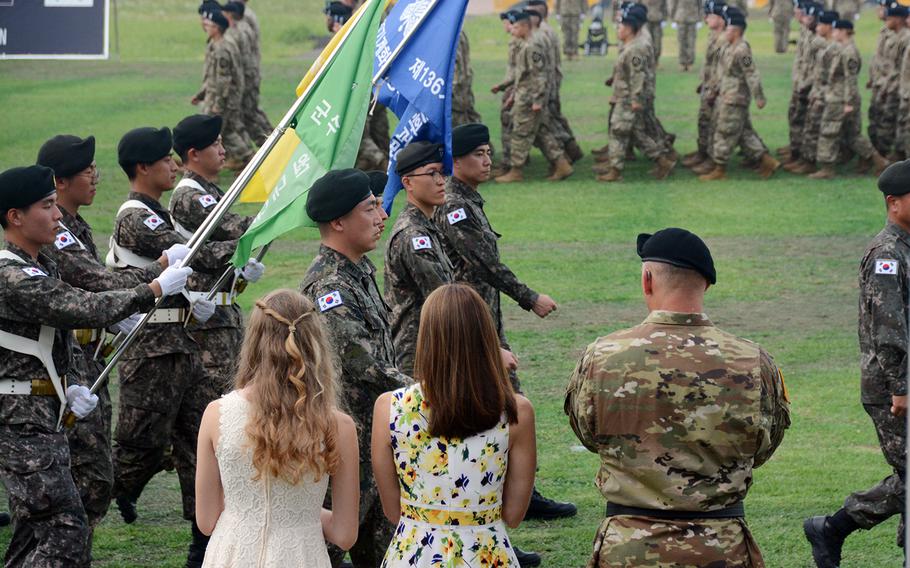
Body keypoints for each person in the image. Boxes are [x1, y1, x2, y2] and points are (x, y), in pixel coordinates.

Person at [0, 165, 191, 567]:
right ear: (15, 216)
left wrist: (65, 385)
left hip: (40, 415)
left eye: (56, 205)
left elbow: (50, 335)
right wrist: (153, 288)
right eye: (47, 206)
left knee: (34, 531)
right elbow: (79, 306)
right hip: (20, 423)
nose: (57, 216)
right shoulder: (12, 274)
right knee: (66, 530)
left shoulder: (38, 265)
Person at [565, 227, 791, 567]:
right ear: (707, 284)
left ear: (647, 280)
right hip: (720, 547)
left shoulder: (602, 356)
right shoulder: (753, 361)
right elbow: (764, 445)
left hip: (628, 549)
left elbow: (587, 433)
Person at [434, 123, 576, 540]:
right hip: (471, 328)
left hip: (485, 323)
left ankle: (516, 491)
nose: (487, 159)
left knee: (507, 403)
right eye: (478, 153)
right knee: (507, 405)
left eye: (489, 152)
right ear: (455, 161)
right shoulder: (454, 207)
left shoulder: (468, 201)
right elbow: (481, 264)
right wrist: (528, 296)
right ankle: (506, 495)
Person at [108, 126, 238, 568]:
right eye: (165, 160)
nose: (173, 165)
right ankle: (113, 487)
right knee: (141, 443)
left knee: (196, 442)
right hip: (151, 349)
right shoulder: (136, 216)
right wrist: (246, 245)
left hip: (179, 344)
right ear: (144, 168)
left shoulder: (155, 212)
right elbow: (194, 254)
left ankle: (202, 542)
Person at [372, 284, 536, 567]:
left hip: (413, 554)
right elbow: (514, 514)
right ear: (485, 337)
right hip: (485, 554)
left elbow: (392, 510)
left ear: (427, 337)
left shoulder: (389, 407)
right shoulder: (516, 411)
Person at [195, 289, 359, 567]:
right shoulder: (339, 426)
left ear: (255, 342)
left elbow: (207, 520)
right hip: (301, 556)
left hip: (232, 555)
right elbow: (344, 535)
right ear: (315, 343)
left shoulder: (216, 414)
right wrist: (302, 513)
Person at [300, 169, 410, 567]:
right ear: (338, 222)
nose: (382, 216)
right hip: (342, 449)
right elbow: (363, 363)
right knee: (317, 553)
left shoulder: (357, 272)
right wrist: (429, 390)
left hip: (371, 441)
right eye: (371, 207)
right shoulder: (330, 286)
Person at [804, 161, 910, 568]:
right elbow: (889, 331)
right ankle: (832, 528)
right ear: (893, 203)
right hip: (891, 388)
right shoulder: (887, 255)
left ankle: (832, 528)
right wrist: (900, 387)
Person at [170, 114, 264, 398]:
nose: (223, 150)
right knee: (217, 400)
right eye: (215, 144)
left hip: (222, 315)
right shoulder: (190, 196)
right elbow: (234, 228)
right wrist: (275, 212)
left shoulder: (209, 191)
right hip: (206, 322)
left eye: (222, 142)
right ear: (193, 154)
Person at [383, 141, 453, 375]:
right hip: (417, 355)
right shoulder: (413, 236)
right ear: (408, 183)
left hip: (431, 348)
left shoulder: (426, 227)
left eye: (442, 172)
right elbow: (445, 298)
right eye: (432, 173)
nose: (441, 180)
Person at [699, 7, 780, 180]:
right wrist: (713, 90)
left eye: (728, 29)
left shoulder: (742, 50)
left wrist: (759, 97)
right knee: (743, 134)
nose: (725, 32)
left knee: (725, 131)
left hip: (735, 98)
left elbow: (752, 73)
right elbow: (722, 74)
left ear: (736, 31)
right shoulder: (728, 47)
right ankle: (767, 161)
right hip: (725, 95)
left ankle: (720, 169)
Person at [596, 7, 676, 182]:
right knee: (637, 134)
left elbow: (637, 75)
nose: (618, 29)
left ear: (631, 28)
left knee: (618, 131)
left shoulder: (636, 48)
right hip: (627, 95)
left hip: (628, 98)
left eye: (622, 26)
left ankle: (616, 170)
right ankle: (662, 161)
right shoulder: (631, 45)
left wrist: (635, 99)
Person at [495, 10, 572, 183]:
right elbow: (522, 74)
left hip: (530, 98)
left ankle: (516, 171)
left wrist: (537, 100)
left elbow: (539, 75)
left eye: (515, 26)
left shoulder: (532, 46)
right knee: (540, 132)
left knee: (521, 132)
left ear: (524, 26)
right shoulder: (526, 44)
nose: (512, 30)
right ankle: (562, 164)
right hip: (524, 95)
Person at [809, 19, 887, 178]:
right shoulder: (842, 48)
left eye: (836, 30)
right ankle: (876, 160)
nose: (834, 33)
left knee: (828, 132)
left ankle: (827, 168)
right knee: (852, 135)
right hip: (840, 97)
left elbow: (850, 79)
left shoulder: (849, 51)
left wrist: (848, 103)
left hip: (840, 99)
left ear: (844, 31)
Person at [192, 7, 252, 170]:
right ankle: (248, 159)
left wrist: (218, 104)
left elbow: (223, 80)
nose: (205, 26)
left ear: (217, 28)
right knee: (228, 131)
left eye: (209, 25)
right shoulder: (216, 44)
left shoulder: (222, 49)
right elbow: (212, 76)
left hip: (223, 100)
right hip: (217, 97)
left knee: (215, 133)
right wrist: (201, 94)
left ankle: (248, 159)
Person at [682, 0, 728, 169]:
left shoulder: (725, 39)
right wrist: (704, 82)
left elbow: (725, 68)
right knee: (705, 121)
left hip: (721, 90)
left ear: (721, 19)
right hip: (710, 86)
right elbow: (710, 65)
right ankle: (704, 153)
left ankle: (714, 159)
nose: (706, 18)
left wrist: (715, 89)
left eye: (710, 15)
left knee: (723, 126)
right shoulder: (713, 36)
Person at [452, 28, 483, 127]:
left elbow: (459, 67)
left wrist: (453, 92)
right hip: (459, 93)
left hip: (456, 96)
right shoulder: (455, 31)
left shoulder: (454, 33)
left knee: (463, 131)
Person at [671, 0, 701, 70]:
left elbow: (700, 5)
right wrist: (672, 17)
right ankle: (682, 62)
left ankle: (690, 62)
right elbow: (673, 4)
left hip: (693, 17)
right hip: (681, 17)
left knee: (691, 42)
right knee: (681, 41)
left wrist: (700, 18)